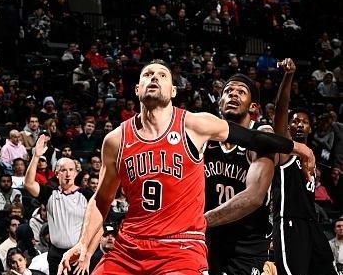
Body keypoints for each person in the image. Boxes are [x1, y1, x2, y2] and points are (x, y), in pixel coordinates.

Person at [58, 60, 315, 275]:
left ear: (173, 91)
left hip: (180, 245)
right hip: (130, 246)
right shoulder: (115, 140)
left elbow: (254, 138)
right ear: (137, 89)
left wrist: (295, 146)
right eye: (148, 74)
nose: (154, 78)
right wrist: (84, 244)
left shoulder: (195, 125)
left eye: (162, 75)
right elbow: (101, 198)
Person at [203, 73, 275, 275]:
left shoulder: (261, 136)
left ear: (253, 107)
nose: (233, 95)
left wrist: (200, 221)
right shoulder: (205, 137)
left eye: (241, 92)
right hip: (212, 237)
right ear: (220, 103)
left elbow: (254, 198)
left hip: (248, 241)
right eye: (228, 91)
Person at [272, 58, 336, 275]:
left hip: (312, 224)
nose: (299, 124)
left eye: (304, 121)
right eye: (295, 121)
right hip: (289, 222)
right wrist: (288, 77)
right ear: (288, 126)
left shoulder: (312, 157)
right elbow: (281, 110)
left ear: (311, 127)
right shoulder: (284, 150)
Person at [24, 134, 93, 275]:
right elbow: (28, 183)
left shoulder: (87, 195)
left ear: (76, 173)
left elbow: (97, 228)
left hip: (79, 254)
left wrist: (88, 254)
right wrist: (36, 156)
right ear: (57, 173)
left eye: (71, 170)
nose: (68, 173)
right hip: (56, 254)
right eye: (63, 170)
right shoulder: (50, 194)